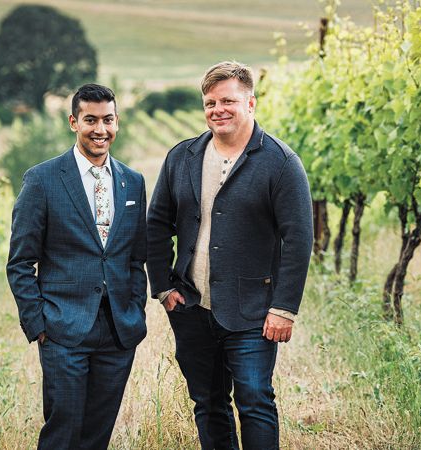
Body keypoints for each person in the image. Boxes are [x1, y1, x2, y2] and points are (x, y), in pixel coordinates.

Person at [146, 61, 313, 449]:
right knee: (208, 403)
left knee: (254, 401)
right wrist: (164, 287)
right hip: (191, 307)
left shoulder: (281, 164)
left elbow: (298, 239)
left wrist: (284, 308)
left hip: (253, 311)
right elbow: (156, 225)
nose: (217, 109)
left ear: (250, 103)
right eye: (209, 102)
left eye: (228, 101)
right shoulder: (182, 157)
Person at [7, 83, 147, 450]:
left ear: (117, 122)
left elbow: (136, 257)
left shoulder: (133, 182)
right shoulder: (42, 180)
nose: (100, 129)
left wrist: (135, 309)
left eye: (108, 120)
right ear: (74, 122)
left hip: (118, 331)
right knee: (62, 433)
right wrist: (38, 324)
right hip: (63, 329)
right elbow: (21, 261)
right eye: (90, 120)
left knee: (97, 436)